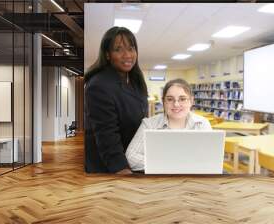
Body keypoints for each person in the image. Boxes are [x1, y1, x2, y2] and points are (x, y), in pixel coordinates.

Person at [84, 27, 148, 174]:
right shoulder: (99, 85)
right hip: (111, 166)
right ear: (107, 55)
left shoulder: (135, 80)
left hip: (134, 157)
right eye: (118, 49)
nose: (127, 55)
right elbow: (107, 134)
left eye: (131, 49)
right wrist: (122, 169)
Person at [126, 78, 212, 171]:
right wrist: (170, 166)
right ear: (163, 102)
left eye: (182, 99)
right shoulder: (149, 125)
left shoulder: (202, 124)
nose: (176, 104)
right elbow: (131, 157)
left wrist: (160, 163)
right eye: (170, 99)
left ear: (191, 101)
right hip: (160, 180)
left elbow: (211, 157)